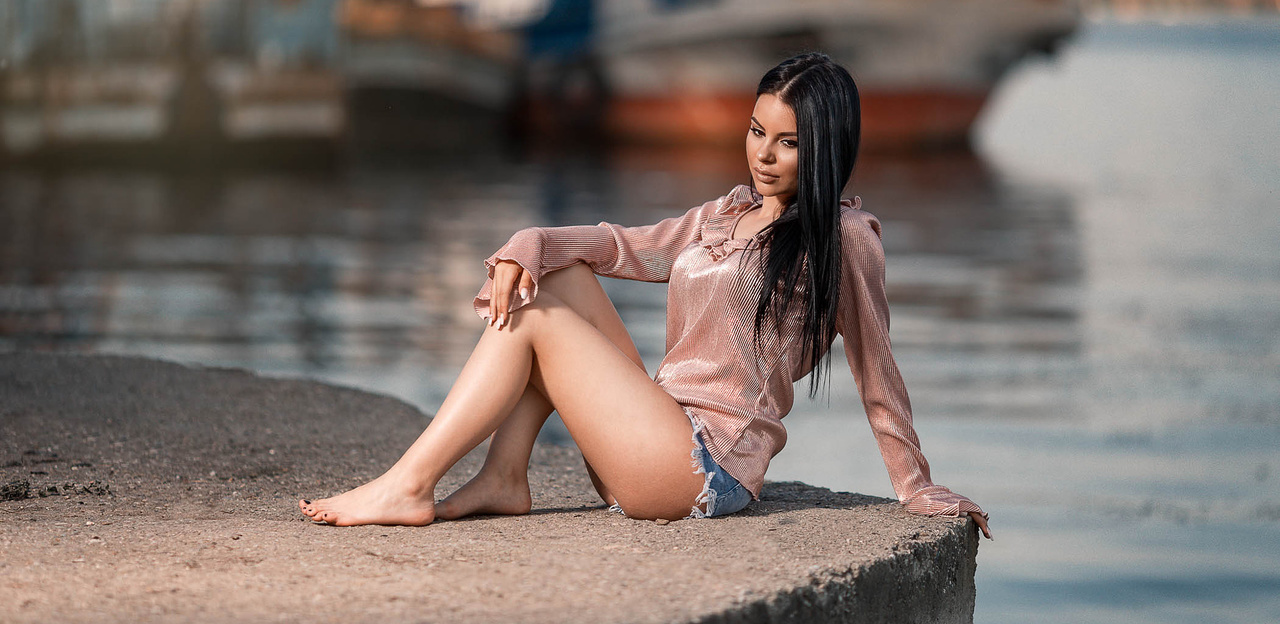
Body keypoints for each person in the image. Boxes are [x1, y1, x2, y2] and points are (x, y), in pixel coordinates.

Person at [300, 52, 990, 538]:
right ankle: (504, 478)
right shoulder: (727, 212)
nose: (763, 155)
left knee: (540, 319)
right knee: (561, 273)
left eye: (789, 143)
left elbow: (878, 370)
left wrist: (916, 483)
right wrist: (527, 240)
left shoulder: (846, 237)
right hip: (652, 433)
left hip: (703, 468)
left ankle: (410, 485)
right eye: (756, 132)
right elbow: (620, 246)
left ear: (829, 148)